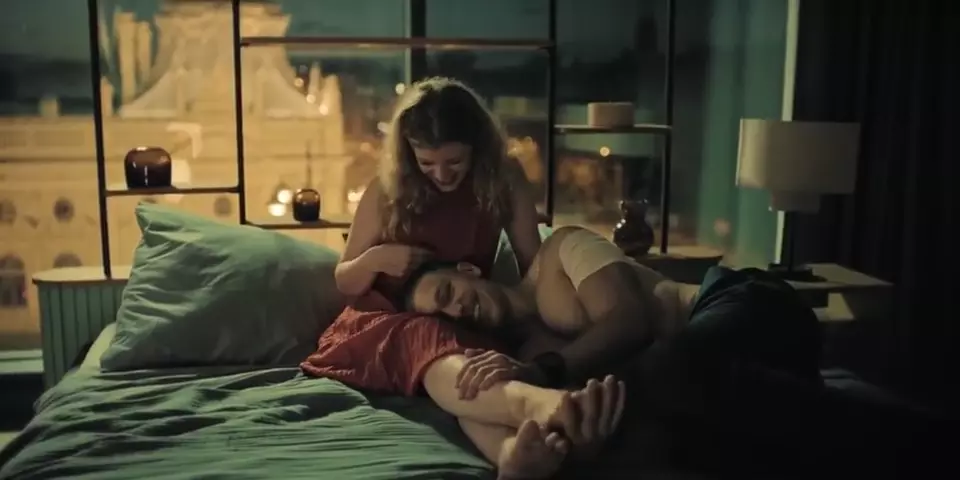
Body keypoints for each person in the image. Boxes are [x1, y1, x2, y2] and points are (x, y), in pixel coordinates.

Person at [404, 225, 955, 479]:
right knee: (678, 443)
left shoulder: (562, 249)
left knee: (664, 371)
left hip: (744, 303)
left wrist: (543, 370)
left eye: (448, 292)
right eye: (445, 315)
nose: (458, 310)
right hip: (726, 382)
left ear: (468, 269)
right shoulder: (523, 352)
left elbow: (631, 320)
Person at [300, 77, 624, 479]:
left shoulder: (503, 180)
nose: (441, 174)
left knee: (476, 367)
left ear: (478, 147)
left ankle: (511, 454)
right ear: (409, 154)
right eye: (426, 163)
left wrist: (541, 340)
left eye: (454, 162)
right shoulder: (386, 191)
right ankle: (544, 406)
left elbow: (533, 269)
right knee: (430, 340)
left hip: (461, 318)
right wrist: (376, 259)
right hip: (383, 322)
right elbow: (345, 281)